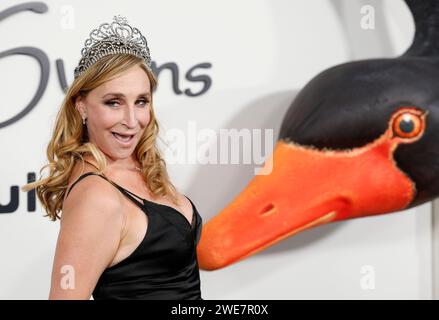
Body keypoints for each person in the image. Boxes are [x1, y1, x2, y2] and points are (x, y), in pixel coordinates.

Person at [22, 15, 203, 300]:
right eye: (113, 102)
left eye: (141, 101)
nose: (132, 121)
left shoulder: (139, 165)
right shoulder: (96, 196)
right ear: (81, 106)